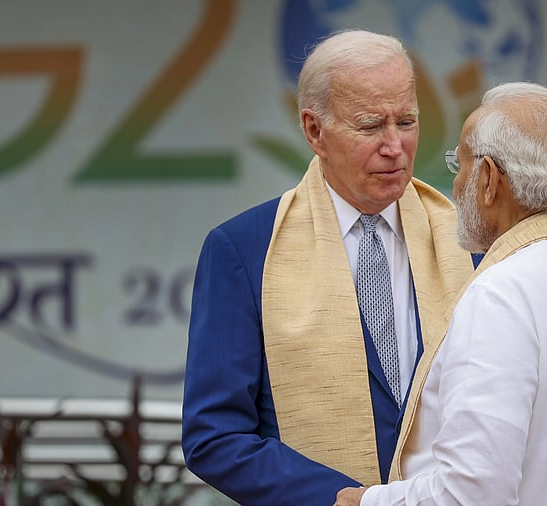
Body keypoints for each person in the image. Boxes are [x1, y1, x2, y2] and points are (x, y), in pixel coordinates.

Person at [335, 81, 547, 506]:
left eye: (459, 166)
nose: (456, 187)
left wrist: (367, 501)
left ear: (490, 180)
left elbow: (471, 493)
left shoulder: (501, 292)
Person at [181, 30, 478, 505]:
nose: (394, 146)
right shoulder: (243, 249)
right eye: (370, 126)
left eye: (406, 121)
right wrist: (338, 498)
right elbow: (215, 436)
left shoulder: (470, 243)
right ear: (314, 131)